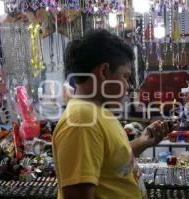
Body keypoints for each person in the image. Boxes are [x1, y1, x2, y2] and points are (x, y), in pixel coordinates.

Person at [52, 29, 169, 199]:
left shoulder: (98, 113)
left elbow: (114, 160)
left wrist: (143, 141)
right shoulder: (81, 121)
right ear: (104, 72)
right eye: (125, 76)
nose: (128, 85)